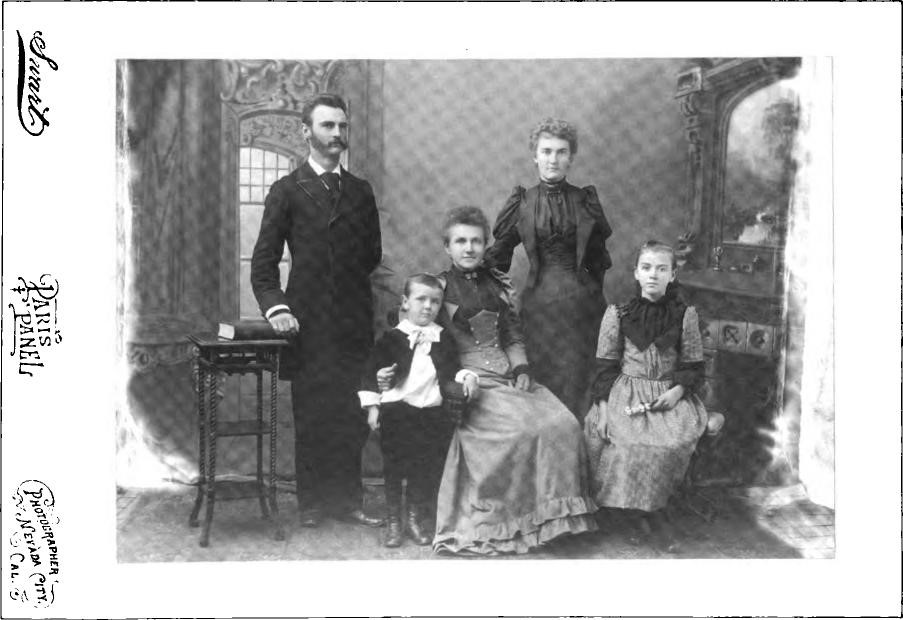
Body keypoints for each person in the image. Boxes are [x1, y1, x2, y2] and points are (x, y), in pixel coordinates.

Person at [426, 206, 597, 555]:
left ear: (486, 244)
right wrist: (454, 383)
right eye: (460, 241)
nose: (469, 248)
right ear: (448, 247)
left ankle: (552, 522)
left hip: (508, 376)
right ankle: (511, 523)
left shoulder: (499, 284)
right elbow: (428, 344)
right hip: (472, 382)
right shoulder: (437, 288)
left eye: (476, 241)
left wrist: (521, 369)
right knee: (523, 431)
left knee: (564, 424)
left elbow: (513, 338)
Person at [250, 92, 384, 528]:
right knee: (311, 412)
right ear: (306, 132)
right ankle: (311, 504)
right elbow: (264, 265)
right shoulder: (286, 191)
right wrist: (278, 310)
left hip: (353, 320)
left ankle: (348, 500)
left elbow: (371, 255)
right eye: (328, 126)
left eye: (342, 127)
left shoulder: (361, 192)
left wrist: (343, 288)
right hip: (306, 323)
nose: (337, 134)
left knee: (351, 412)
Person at [485, 118, 612, 420]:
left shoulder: (585, 201)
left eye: (561, 152)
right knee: (542, 387)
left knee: (577, 383)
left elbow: (598, 260)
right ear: (535, 155)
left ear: (571, 157)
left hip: (582, 309)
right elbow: (498, 257)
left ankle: (575, 457)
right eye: (546, 151)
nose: (553, 159)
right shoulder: (524, 202)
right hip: (538, 308)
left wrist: (593, 299)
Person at [583, 240, 709, 535]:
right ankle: (623, 512)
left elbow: (693, 365)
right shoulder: (618, 313)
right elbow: (604, 367)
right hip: (624, 395)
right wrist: (602, 412)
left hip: (669, 396)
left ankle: (654, 510)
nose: (653, 275)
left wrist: (677, 391)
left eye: (661, 269)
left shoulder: (684, 314)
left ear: (672, 275)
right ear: (636, 273)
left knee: (666, 446)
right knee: (625, 444)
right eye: (647, 268)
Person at [359, 273, 479, 547]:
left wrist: (468, 377)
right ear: (405, 302)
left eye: (435, 302)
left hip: (430, 415)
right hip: (397, 412)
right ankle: (394, 521)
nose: (427, 306)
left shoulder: (443, 338)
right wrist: (373, 408)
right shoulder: (392, 338)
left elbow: (452, 370)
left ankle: (415, 518)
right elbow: (369, 374)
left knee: (422, 467)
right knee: (393, 467)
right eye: (421, 299)